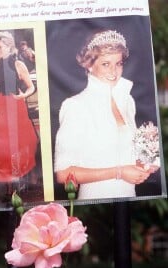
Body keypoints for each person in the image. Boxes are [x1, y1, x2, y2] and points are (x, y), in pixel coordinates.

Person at [54, 30, 157, 200]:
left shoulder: (127, 101)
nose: (114, 72)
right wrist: (119, 172)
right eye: (106, 64)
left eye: (119, 63)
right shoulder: (76, 106)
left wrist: (145, 164)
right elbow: (63, 174)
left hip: (129, 199)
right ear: (89, 65)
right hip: (95, 204)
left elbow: (124, 155)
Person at [0, 31, 38, 184]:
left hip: (17, 104)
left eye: (0, 47)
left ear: (9, 47)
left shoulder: (18, 64)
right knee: (4, 139)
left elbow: (31, 88)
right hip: (1, 104)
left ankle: (25, 168)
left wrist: (23, 96)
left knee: (22, 138)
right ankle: (9, 171)